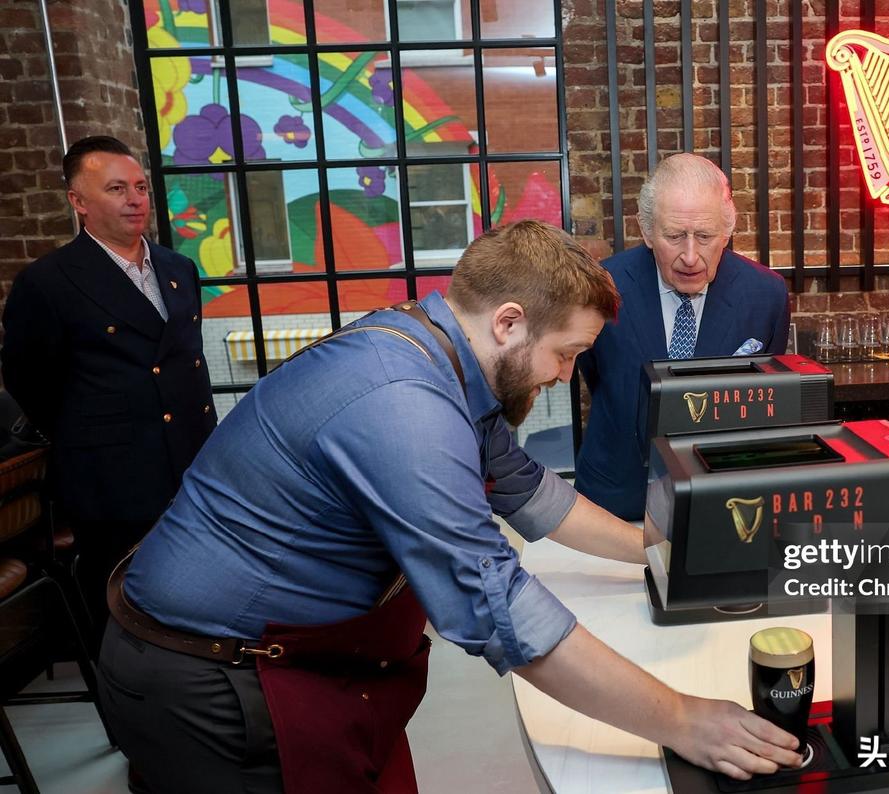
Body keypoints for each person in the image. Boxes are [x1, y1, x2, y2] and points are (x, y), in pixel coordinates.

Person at [97, 220, 802, 793]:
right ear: (509, 323)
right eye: (565, 353)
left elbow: (525, 487)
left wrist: (658, 547)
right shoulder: (405, 407)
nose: (566, 375)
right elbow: (498, 608)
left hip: (296, 659)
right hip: (211, 682)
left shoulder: (435, 350)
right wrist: (682, 720)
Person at [1, 135, 216, 643]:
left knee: (199, 602)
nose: (135, 199)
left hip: (193, 466)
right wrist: (94, 432)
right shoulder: (48, 282)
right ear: (78, 201)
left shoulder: (178, 268)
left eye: (140, 187)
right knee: (127, 616)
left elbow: (186, 367)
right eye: (117, 189)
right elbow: (29, 380)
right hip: (112, 480)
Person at [575, 153, 791, 520]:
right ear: (646, 231)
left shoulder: (766, 294)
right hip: (615, 501)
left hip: (723, 501)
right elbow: (597, 375)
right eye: (674, 236)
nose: (690, 256)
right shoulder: (601, 287)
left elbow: (763, 399)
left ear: (727, 231)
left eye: (705, 236)